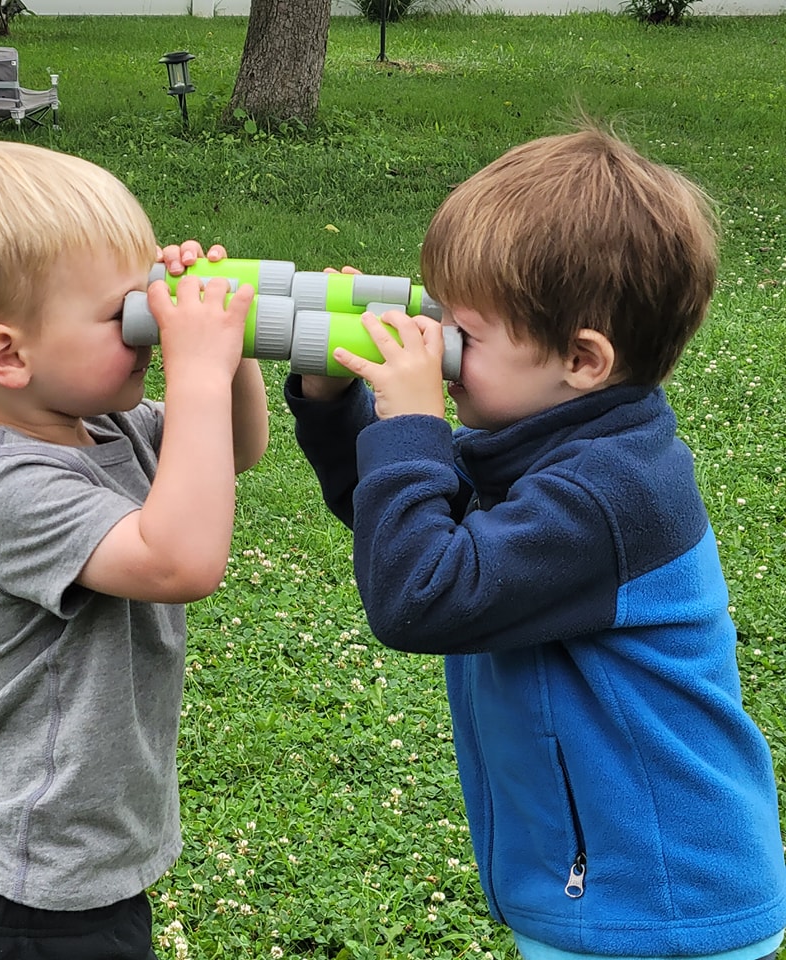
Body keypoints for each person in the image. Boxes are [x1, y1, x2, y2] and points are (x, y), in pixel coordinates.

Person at [285, 127, 786, 960]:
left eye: (464, 334)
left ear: (583, 360)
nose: (438, 344)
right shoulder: (552, 448)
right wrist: (335, 403)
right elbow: (403, 531)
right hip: (611, 896)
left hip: (659, 907)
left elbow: (422, 591)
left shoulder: (609, 493)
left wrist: (412, 425)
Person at [0, 140, 268, 960]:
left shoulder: (107, 425)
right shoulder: (1, 482)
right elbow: (180, 562)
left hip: (93, 876)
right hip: (26, 899)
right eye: (123, 313)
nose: (151, 327)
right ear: (9, 355)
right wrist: (196, 367)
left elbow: (232, 448)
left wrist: (229, 342)